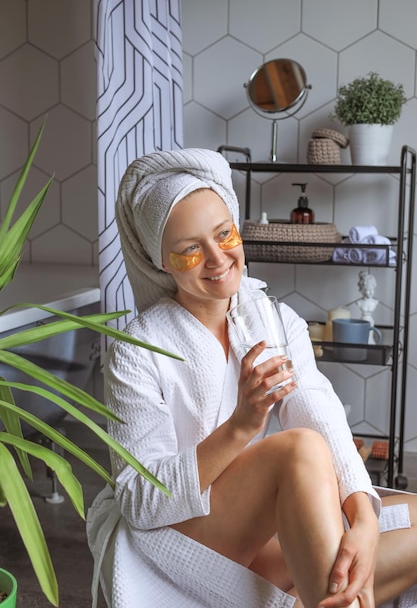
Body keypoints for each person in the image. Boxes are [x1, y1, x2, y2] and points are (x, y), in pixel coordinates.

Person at [87, 148, 417, 608]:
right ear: (159, 261)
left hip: (260, 527)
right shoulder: (136, 350)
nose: (217, 259)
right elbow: (142, 502)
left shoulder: (275, 320)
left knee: (410, 517)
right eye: (188, 250)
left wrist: (362, 516)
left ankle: (313, 598)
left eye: (224, 235)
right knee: (298, 450)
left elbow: (317, 409)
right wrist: (243, 423)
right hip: (183, 535)